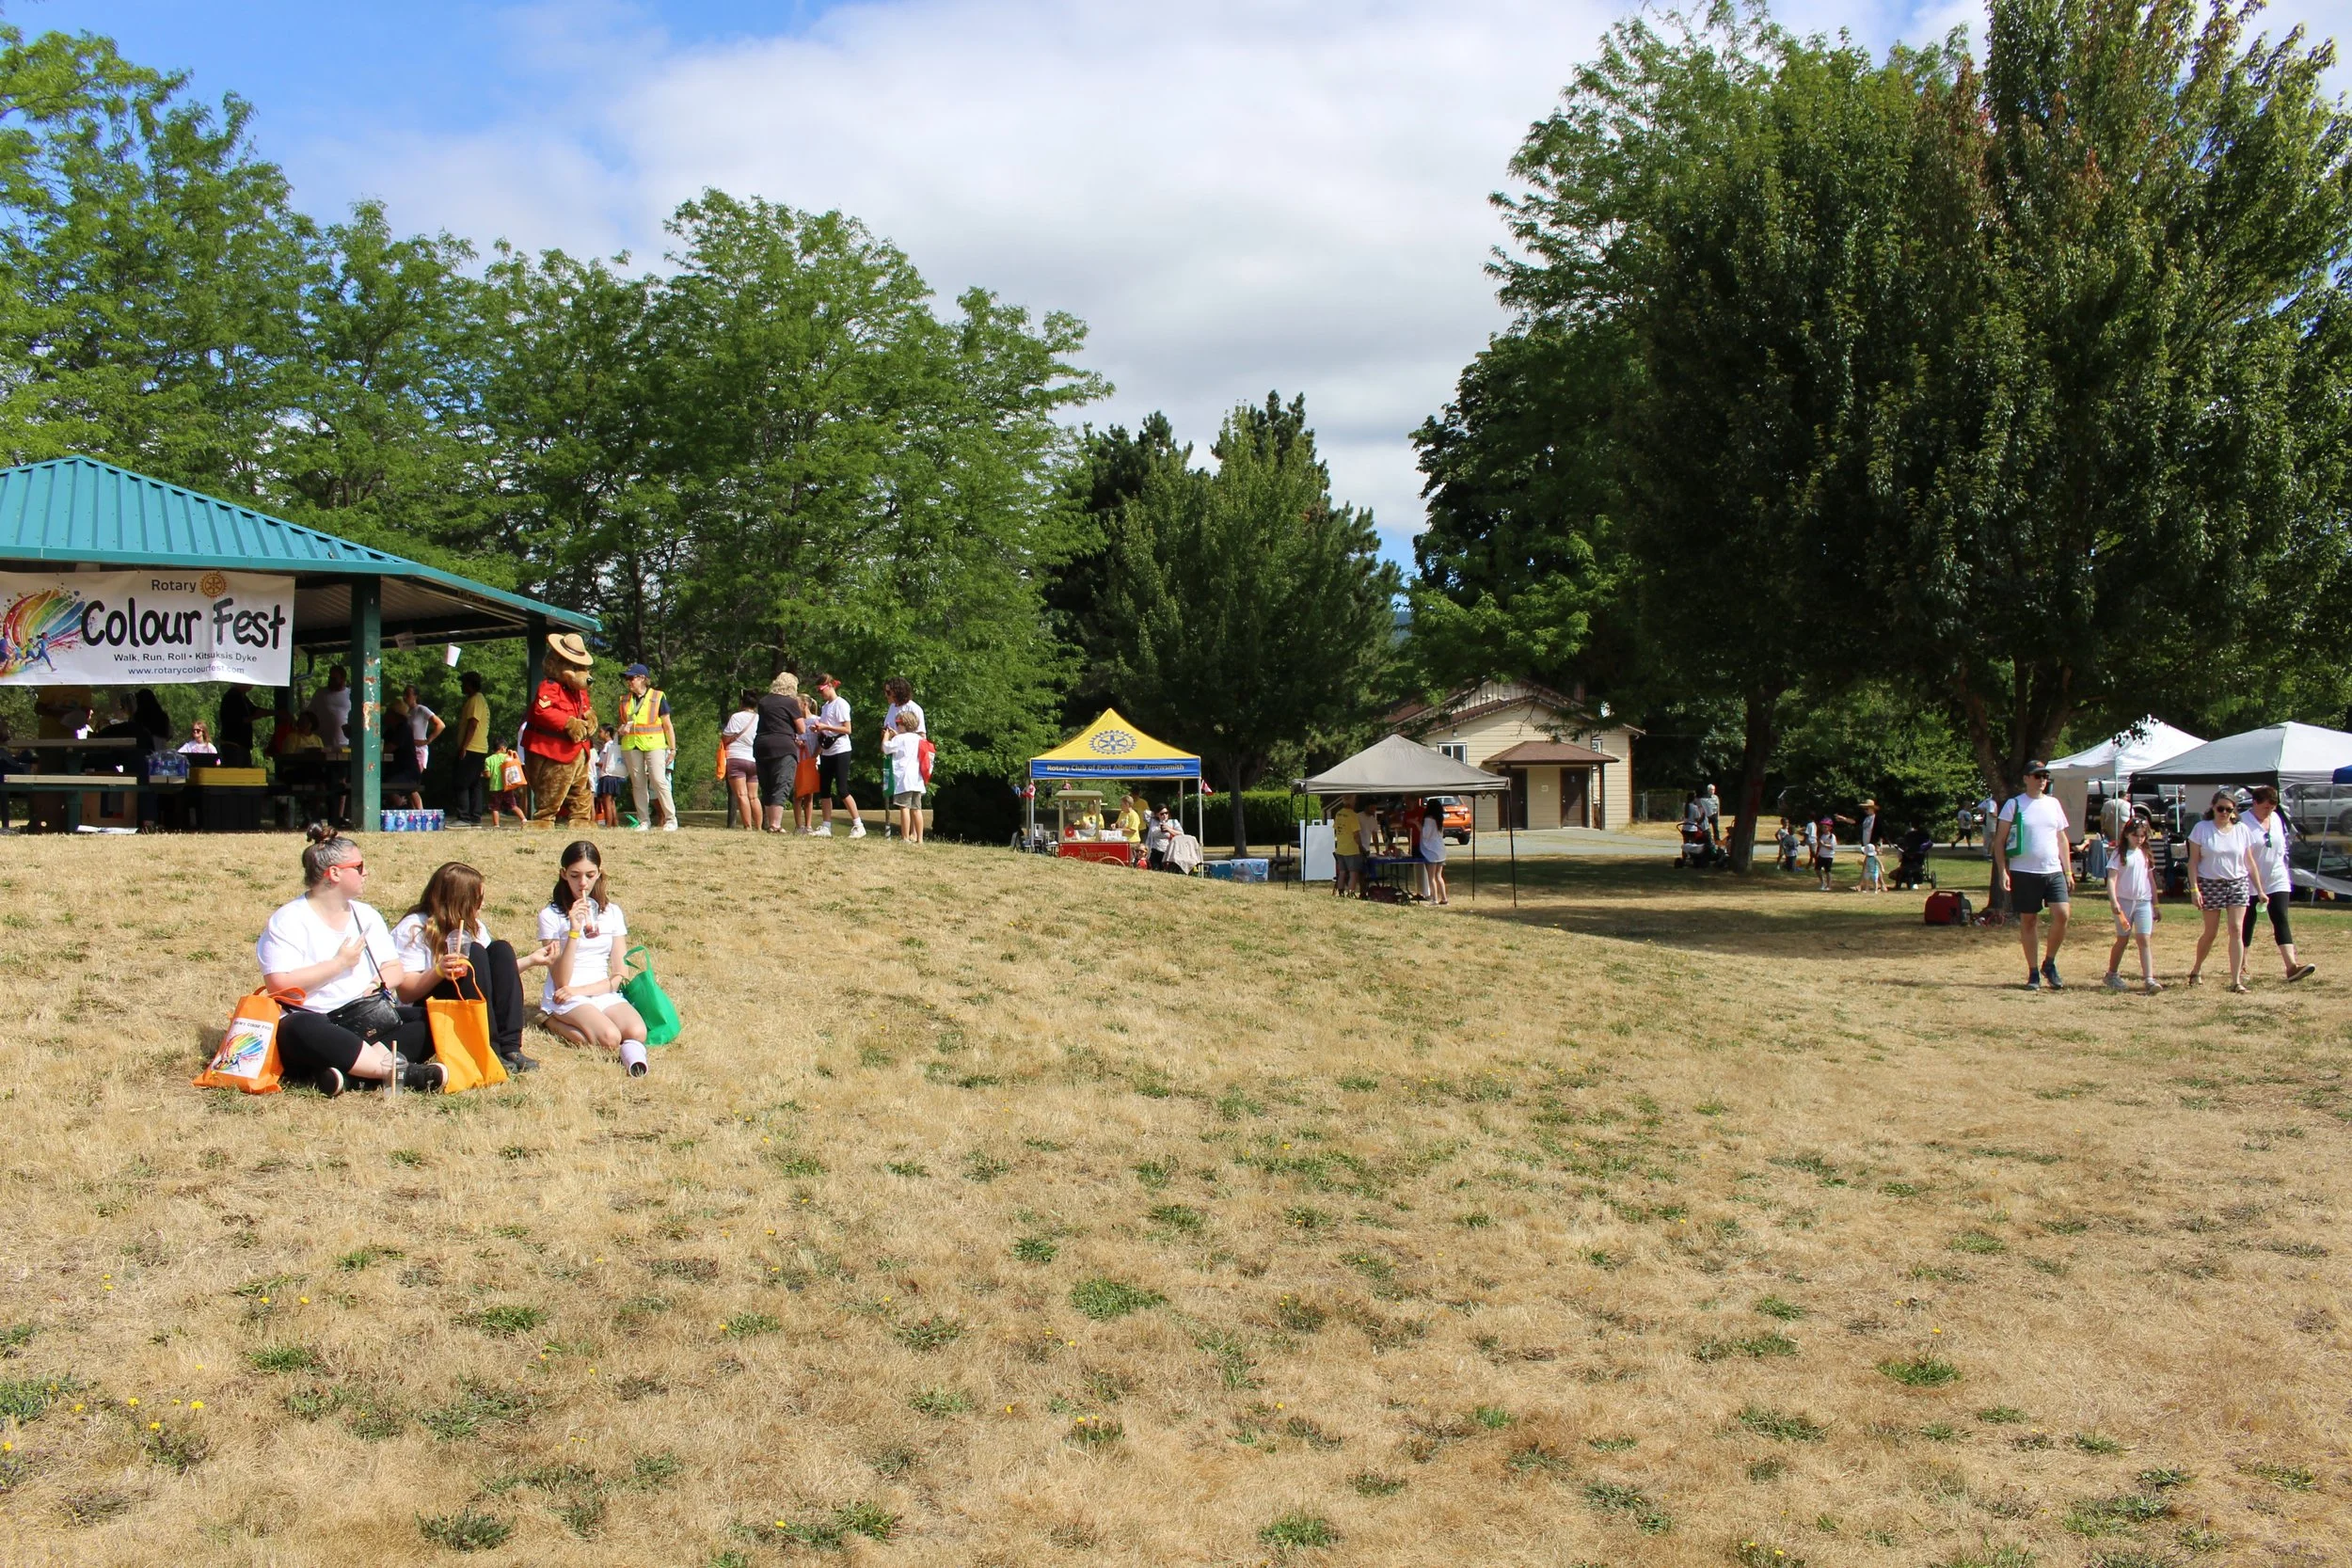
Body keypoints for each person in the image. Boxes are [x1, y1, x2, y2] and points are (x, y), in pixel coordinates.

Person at [255, 825, 447, 1096]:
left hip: (365, 1017)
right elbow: (279, 986)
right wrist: (338, 964)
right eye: (359, 866)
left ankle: (347, 1075)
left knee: (433, 1019)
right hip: (314, 1020)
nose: (365, 872)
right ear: (334, 873)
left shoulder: (366, 915)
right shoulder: (288, 919)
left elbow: (394, 968)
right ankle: (400, 1073)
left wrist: (380, 983)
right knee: (300, 1028)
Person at [389, 861, 546, 1073]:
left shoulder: (475, 927)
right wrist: (439, 971)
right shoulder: (415, 928)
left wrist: (531, 960)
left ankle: (510, 1047)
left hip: (464, 994)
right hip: (427, 1005)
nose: (482, 906)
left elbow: (490, 976)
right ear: (459, 901)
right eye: (477, 900)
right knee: (475, 953)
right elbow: (406, 992)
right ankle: (488, 1047)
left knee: (501, 950)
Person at [536, 841, 650, 1074]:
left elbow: (620, 973)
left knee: (637, 1032)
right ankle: (551, 1020)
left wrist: (588, 990)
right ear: (563, 875)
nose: (583, 883)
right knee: (609, 1040)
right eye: (575, 875)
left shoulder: (612, 912)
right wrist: (574, 931)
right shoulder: (550, 916)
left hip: (600, 990)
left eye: (590, 875)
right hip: (564, 994)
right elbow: (561, 980)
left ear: (599, 873)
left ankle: (625, 1052)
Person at [1994, 763, 2073, 990]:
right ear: (2026, 778)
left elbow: (2061, 839)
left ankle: (2049, 963)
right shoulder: (2014, 804)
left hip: (2053, 869)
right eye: (2037, 776)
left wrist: (2067, 871)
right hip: (2024, 871)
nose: (2042, 780)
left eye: (2045, 776)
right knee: (2029, 920)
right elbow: (2000, 841)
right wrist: (2003, 871)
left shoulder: (2053, 804)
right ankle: (2033, 972)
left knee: (2062, 914)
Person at [2241, 786, 2316, 984]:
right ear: (2255, 803)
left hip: (2276, 876)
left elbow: (2281, 846)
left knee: (2281, 916)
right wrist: (2257, 886)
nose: (2269, 811)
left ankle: (2291, 966)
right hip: (2248, 879)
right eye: (2266, 807)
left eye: (2272, 808)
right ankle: (2241, 964)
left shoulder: (2275, 818)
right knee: (2247, 921)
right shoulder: (2242, 822)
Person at [2185, 790, 2257, 990]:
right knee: (2211, 932)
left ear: (2234, 811)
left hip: (2237, 882)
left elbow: (2249, 861)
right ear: (2213, 808)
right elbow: (2192, 862)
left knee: (2236, 929)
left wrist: (2260, 889)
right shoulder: (2202, 828)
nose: (2224, 813)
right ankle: (2197, 968)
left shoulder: (2242, 830)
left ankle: (2235, 980)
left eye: (2228, 809)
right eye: (2220, 809)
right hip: (2210, 882)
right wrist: (2194, 889)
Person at [522, 634, 596, 826]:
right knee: (553, 784)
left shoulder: (578, 691)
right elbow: (542, 711)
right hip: (555, 750)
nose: (583, 675)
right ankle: (544, 819)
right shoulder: (550, 686)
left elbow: (586, 707)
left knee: (581, 788)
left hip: (578, 750)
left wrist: (590, 718)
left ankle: (580, 819)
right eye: (575, 668)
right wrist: (569, 723)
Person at [2104, 815, 2162, 994]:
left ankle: (2149, 979)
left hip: (2143, 901)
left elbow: (2150, 879)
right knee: (2123, 938)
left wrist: (2156, 904)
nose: (2139, 839)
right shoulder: (2119, 854)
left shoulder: (2144, 854)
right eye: (2136, 835)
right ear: (2128, 835)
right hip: (2124, 902)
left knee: (2144, 939)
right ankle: (2111, 973)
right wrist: (2114, 901)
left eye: (2143, 836)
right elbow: (2112, 879)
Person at [615, 663, 677, 832]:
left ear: (642, 678)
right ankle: (644, 821)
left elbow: (667, 725)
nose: (628, 681)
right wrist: (622, 729)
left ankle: (671, 819)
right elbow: (620, 725)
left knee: (658, 780)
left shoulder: (658, 696)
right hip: (631, 745)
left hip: (654, 744)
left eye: (631, 677)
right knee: (638, 784)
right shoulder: (624, 699)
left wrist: (672, 749)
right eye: (627, 678)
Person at [809, 673, 865, 837]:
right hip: (827, 751)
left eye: (822, 690)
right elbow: (826, 730)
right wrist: (820, 731)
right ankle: (826, 826)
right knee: (824, 789)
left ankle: (858, 824)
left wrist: (827, 727)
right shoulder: (826, 707)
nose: (821, 694)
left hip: (841, 750)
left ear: (830, 686)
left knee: (842, 789)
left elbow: (847, 729)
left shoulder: (841, 704)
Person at [753, 672, 807, 834]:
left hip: (761, 745)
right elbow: (801, 728)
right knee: (781, 783)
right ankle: (776, 825)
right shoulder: (790, 703)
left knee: (767, 785)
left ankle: (770, 824)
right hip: (783, 746)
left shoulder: (763, 702)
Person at [882, 708, 927, 844]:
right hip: (917, 780)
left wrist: (887, 735)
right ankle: (920, 839)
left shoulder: (899, 739)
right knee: (917, 809)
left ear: (903, 724)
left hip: (903, 779)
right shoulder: (919, 739)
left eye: (897, 723)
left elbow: (885, 748)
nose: (896, 725)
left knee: (904, 808)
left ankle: (905, 837)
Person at [453, 671, 492, 824]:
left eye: (464, 684)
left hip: (472, 747)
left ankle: (463, 816)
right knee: (475, 784)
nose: (462, 687)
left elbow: (473, 724)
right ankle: (476, 817)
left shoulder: (475, 700)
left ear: (470, 685)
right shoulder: (481, 700)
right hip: (480, 748)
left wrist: (464, 746)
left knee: (461, 782)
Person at [722, 690, 760, 832]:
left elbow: (726, 737)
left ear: (741, 702)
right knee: (754, 796)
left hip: (736, 757)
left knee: (741, 794)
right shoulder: (759, 718)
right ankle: (760, 827)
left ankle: (748, 827)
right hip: (754, 759)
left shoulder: (736, 717)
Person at [309, 666, 351, 753]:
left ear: (343, 679)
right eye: (330, 678)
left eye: (334, 679)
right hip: (322, 744)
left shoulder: (350, 694)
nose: (331, 681)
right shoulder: (320, 693)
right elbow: (309, 714)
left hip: (344, 744)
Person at [485, 740, 526, 828]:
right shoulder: (507, 757)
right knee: (513, 806)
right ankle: (524, 820)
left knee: (495, 808)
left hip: (495, 788)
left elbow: (488, 775)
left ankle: (496, 825)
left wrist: (484, 774)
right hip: (507, 786)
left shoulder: (488, 760)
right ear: (502, 748)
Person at [1330, 795, 1365, 896]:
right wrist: (1361, 846)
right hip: (1351, 849)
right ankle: (1351, 892)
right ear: (1352, 801)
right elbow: (1356, 835)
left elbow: (1336, 828)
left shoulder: (1339, 813)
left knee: (1342, 872)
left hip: (1340, 848)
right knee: (1353, 872)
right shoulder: (1353, 815)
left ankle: (1341, 892)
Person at [1418, 797, 1450, 905]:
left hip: (1431, 851)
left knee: (1431, 877)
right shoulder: (1439, 819)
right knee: (1439, 876)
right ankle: (1444, 899)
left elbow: (1426, 834)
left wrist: (1417, 824)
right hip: (1440, 850)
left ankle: (1434, 899)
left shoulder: (1428, 819)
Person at [215, 685, 256, 768]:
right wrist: (255, 716)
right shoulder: (233, 696)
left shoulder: (242, 697)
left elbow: (254, 710)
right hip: (233, 746)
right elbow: (240, 719)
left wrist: (275, 713)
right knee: (236, 775)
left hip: (241, 746)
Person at [592, 726, 624, 829]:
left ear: (607, 733)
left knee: (607, 801)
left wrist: (596, 763)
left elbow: (605, 762)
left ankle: (608, 824)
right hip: (613, 776)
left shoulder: (607, 746)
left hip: (607, 776)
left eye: (601, 731)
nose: (599, 734)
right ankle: (615, 822)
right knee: (611, 802)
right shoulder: (613, 744)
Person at [1146, 804, 1175, 872]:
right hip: (1155, 849)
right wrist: (1156, 815)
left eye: (1166, 813)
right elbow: (1146, 813)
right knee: (1155, 870)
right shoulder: (1153, 822)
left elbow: (1181, 833)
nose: (1165, 815)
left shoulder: (1172, 822)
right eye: (1162, 814)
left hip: (1167, 850)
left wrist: (1169, 829)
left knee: (1165, 870)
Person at [1813, 816, 1837, 892]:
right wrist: (1818, 851)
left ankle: (1829, 886)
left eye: (1825, 827)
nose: (1824, 829)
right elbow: (1819, 846)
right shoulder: (1822, 836)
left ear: (1830, 828)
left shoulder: (1832, 836)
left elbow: (1832, 847)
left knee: (1827, 871)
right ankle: (1822, 882)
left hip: (1828, 856)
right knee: (1817, 869)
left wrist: (1823, 844)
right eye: (1823, 827)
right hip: (1821, 855)